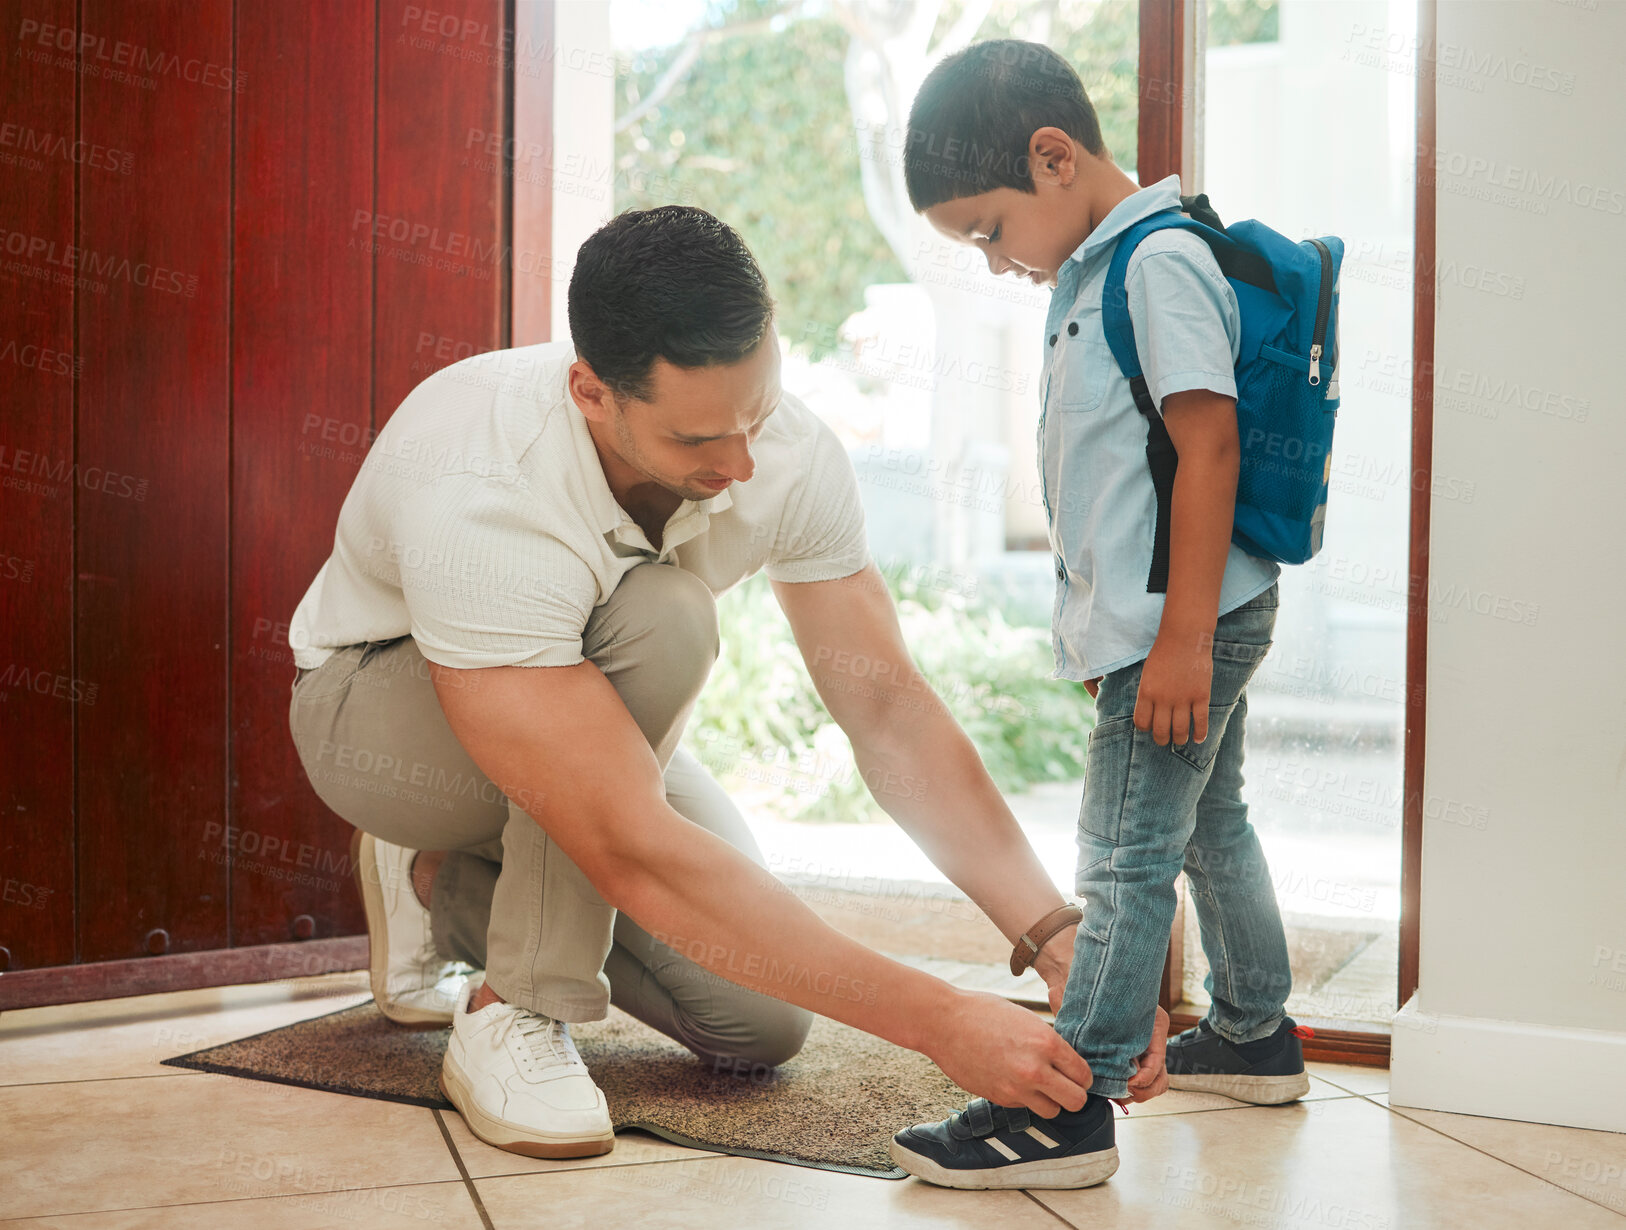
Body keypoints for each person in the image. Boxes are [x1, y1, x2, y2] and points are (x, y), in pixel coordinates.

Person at [286, 204, 1165, 1161]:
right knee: (665, 619)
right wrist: (941, 1020)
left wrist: (1049, 932)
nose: (742, 464)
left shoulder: (782, 450)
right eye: (699, 440)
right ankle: (517, 1006)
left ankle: (436, 883)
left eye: (757, 413)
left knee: (760, 1023)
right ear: (591, 391)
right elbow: (628, 845)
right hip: (380, 719)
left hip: (571, 717)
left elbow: (887, 711)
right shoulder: (486, 474)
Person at [887, 40, 1310, 1190]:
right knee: (1207, 824)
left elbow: (1207, 441)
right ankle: (1256, 1031)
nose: (990, 262)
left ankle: (1069, 1101)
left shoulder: (1155, 261)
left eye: (986, 230)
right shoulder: (1092, 270)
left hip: (1189, 626)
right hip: (1173, 624)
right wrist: (1112, 635)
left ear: (1054, 158)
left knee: (1124, 858)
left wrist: (1173, 641)